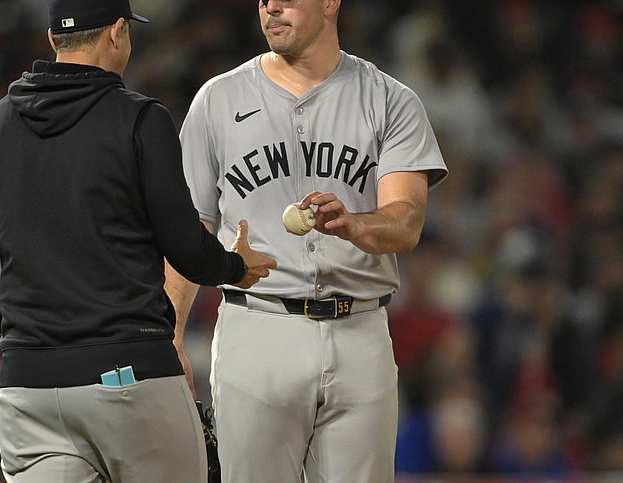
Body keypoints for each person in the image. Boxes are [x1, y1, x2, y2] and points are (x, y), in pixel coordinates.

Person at [0, 0, 276, 481]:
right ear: (117, 32)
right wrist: (235, 266)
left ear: (53, 39)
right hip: (128, 377)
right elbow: (187, 250)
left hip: (28, 388)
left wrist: (16, 328)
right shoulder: (139, 119)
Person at [164, 0, 449, 482]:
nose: (271, 6)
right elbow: (190, 231)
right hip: (257, 326)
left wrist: (357, 225)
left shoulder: (389, 99)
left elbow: (407, 221)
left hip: (360, 329)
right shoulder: (218, 100)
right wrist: (169, 335)